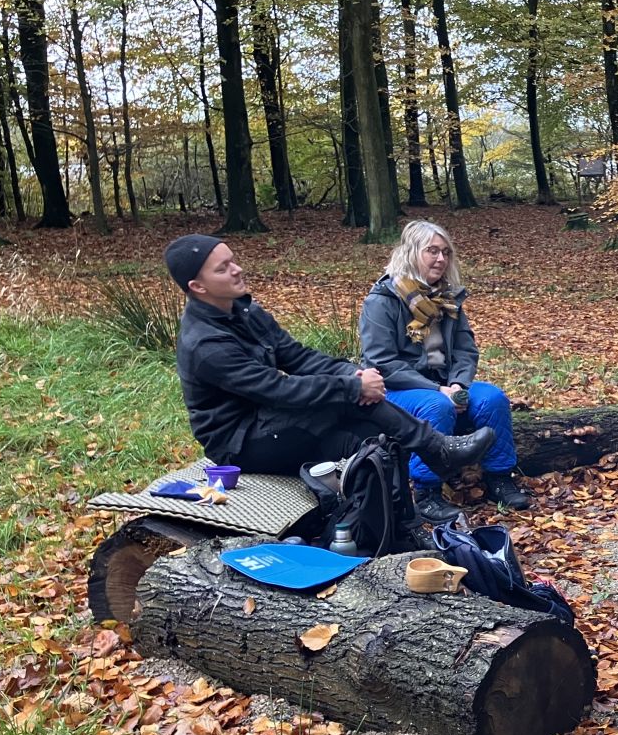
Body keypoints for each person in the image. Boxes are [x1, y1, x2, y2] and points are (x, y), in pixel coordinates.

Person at [166, 233, 497, 490]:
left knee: (372, 438)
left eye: (233, 260)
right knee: (350, 403)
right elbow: (276, 389)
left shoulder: (244, 311)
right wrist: (352, 387)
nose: (237, 269)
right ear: (198, 287)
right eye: (223, 268)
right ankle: (437, 450)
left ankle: (399, 521)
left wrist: (351, 372)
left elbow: (295, 356)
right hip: (241, 442)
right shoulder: (207, 344)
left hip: (273, 420)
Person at [359, 221, 531, 522]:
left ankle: (499, 479)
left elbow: (466, 349)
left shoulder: (447, 299)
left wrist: (457, 384)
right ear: (411, 253)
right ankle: (427, 493)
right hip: (398, 390)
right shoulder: (382, 300)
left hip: (445, 384)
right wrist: (438, 390)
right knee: (436, 406)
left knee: (492, 398)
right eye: (432, 251)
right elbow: (381, 362)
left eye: (445, 253)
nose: (441, 259)